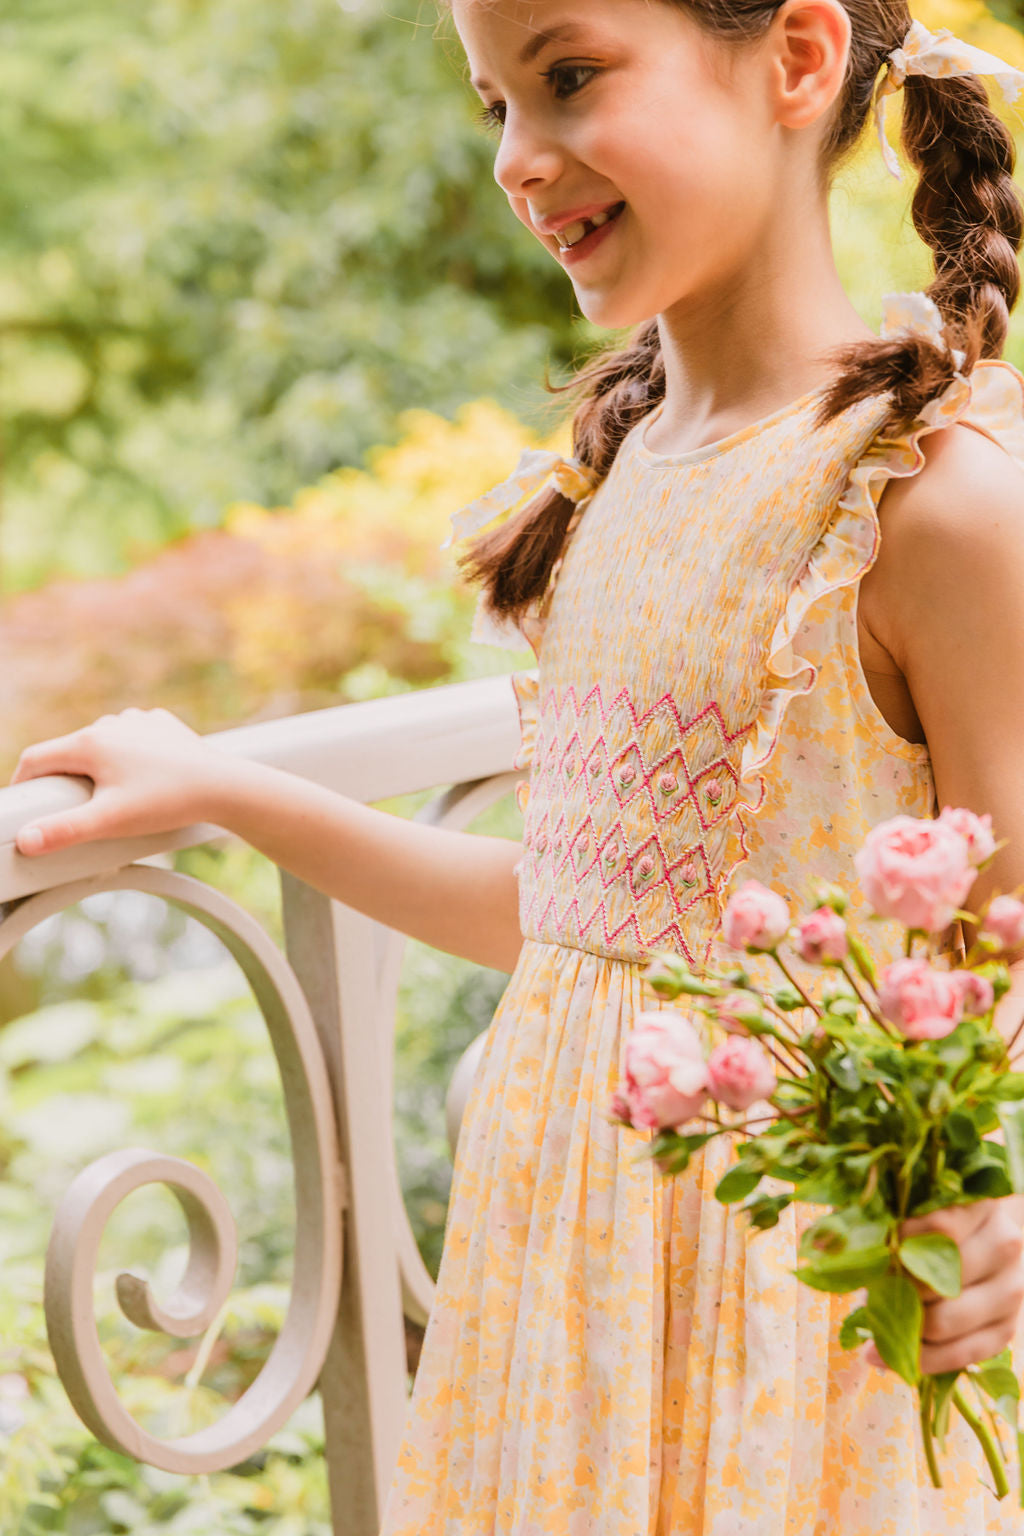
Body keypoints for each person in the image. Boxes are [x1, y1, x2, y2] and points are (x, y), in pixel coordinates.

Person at [11, 0, 1024, 1527]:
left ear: (799, 60)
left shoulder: (924, 503)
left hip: (790, 1316)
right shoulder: (615, 482)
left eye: (567, 79)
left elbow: (1003, 935)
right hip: (562, 1284)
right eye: (494, 103)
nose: (515, 157)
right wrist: (225, 788)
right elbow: (575, 927)